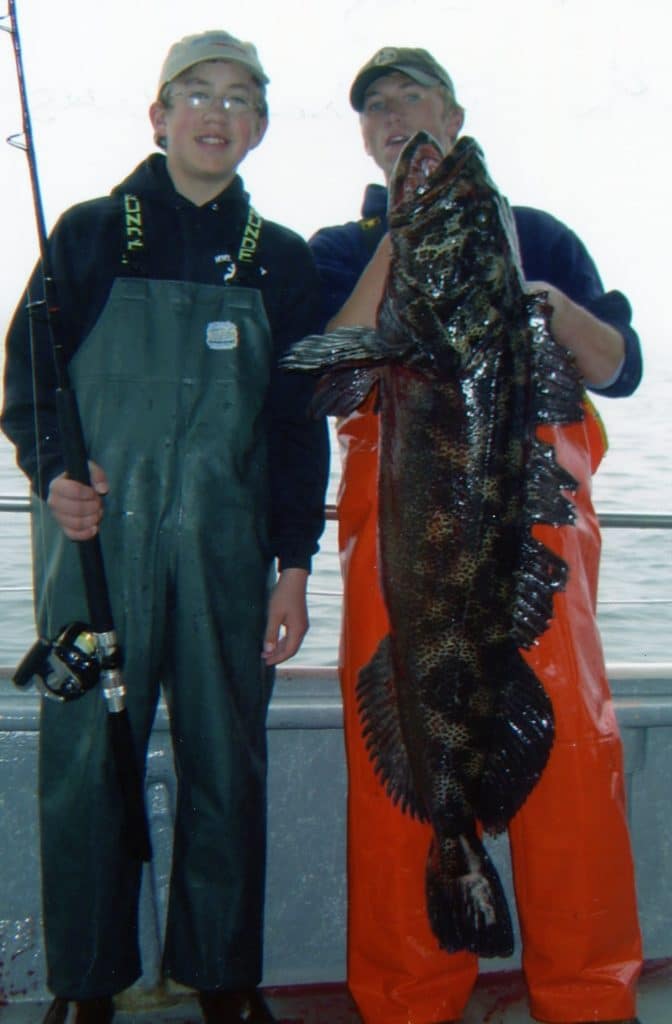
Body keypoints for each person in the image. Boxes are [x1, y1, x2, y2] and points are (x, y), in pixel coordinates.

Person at [309, 47, 643, 1024]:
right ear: (366, 139)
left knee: (572, 771)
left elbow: (619, 367)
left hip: (535, 547)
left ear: (454, 112)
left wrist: (549, 307)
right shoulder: (342, 245)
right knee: (396, 778)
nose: (396, 115)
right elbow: (322, 369)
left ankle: (587, 999)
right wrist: (404, 237)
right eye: (377, 108)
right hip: (406, 552)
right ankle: (410, 999)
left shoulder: (540, 234)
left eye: (414, 97)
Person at [1, 30, 329, 1024]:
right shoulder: (95, 230)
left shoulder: (284, 259)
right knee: (83, 757)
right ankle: (84, 984)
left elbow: (296, 424)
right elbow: (28, 376)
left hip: (230, 561)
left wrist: (295, 566)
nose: (215, 113)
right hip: (91, 552)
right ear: (160, 114)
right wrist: (54, 472)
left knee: (229, 757)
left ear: (260, 126)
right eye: (196, 94)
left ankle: (224, 974)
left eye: (239, 99)